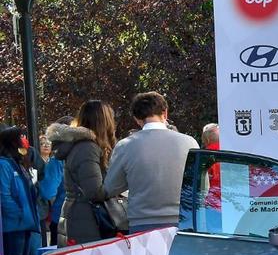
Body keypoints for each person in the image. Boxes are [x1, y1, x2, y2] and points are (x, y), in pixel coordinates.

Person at [103, 92, 199, 234]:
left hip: (142, 224)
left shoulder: (125, 146)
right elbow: (202, 187)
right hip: (185, 221)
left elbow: (111, 187)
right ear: (165, 113)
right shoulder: (190, 143)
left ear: (137, 119)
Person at [49, 101, 117, 245]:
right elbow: (95, 192)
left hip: (80, 216)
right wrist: (120, 185)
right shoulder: (87, 148)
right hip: (87, 221)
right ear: (103, 121)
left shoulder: (82, 146)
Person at [0, 128, 40, 255]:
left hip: (25, 224)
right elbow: (4, 196)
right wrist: (20, 214)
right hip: (13, 227)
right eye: (21, 137)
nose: (24, 141)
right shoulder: (3, 165)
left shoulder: (19, 164)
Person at [37, 130, 68, 247]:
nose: (46, 145)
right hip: (91, 216)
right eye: (42, 143)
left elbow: (47, 191)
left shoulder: (57, 161)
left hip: (61, 214)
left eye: (49, 143)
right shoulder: (92, 153)